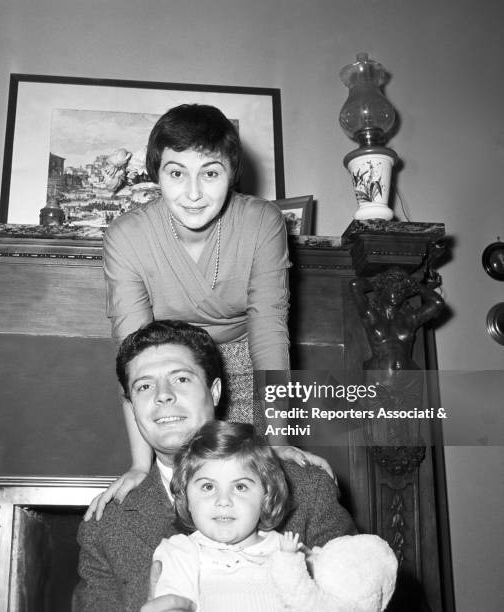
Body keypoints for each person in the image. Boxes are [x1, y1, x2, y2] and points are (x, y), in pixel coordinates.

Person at [87, 103, 328, 515]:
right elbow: (135, 353)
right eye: (176, 172)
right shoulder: (126, 235)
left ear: (231, 175)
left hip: (246, 360)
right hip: (171, 365)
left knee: (258, 495)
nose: (194, 193)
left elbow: (269, 329)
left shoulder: (263, 222)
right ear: (156, 175)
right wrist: (141, 465)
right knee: (176, 496)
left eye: (210, 173)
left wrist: (278, 439)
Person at [73, 320, 357, 612]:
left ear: (215, 391)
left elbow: (362, 595)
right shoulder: (107, 524)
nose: (162, 395)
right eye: (144, 386)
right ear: (132, 408)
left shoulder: (307, 489)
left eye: (181, 379)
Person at [154, 420, 395, 612]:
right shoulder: (182, 553)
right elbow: (173, 604)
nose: (223, 500)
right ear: (186, 496)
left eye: (240, 487)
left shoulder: (287, 551)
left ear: (266, 494)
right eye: (207, 487)